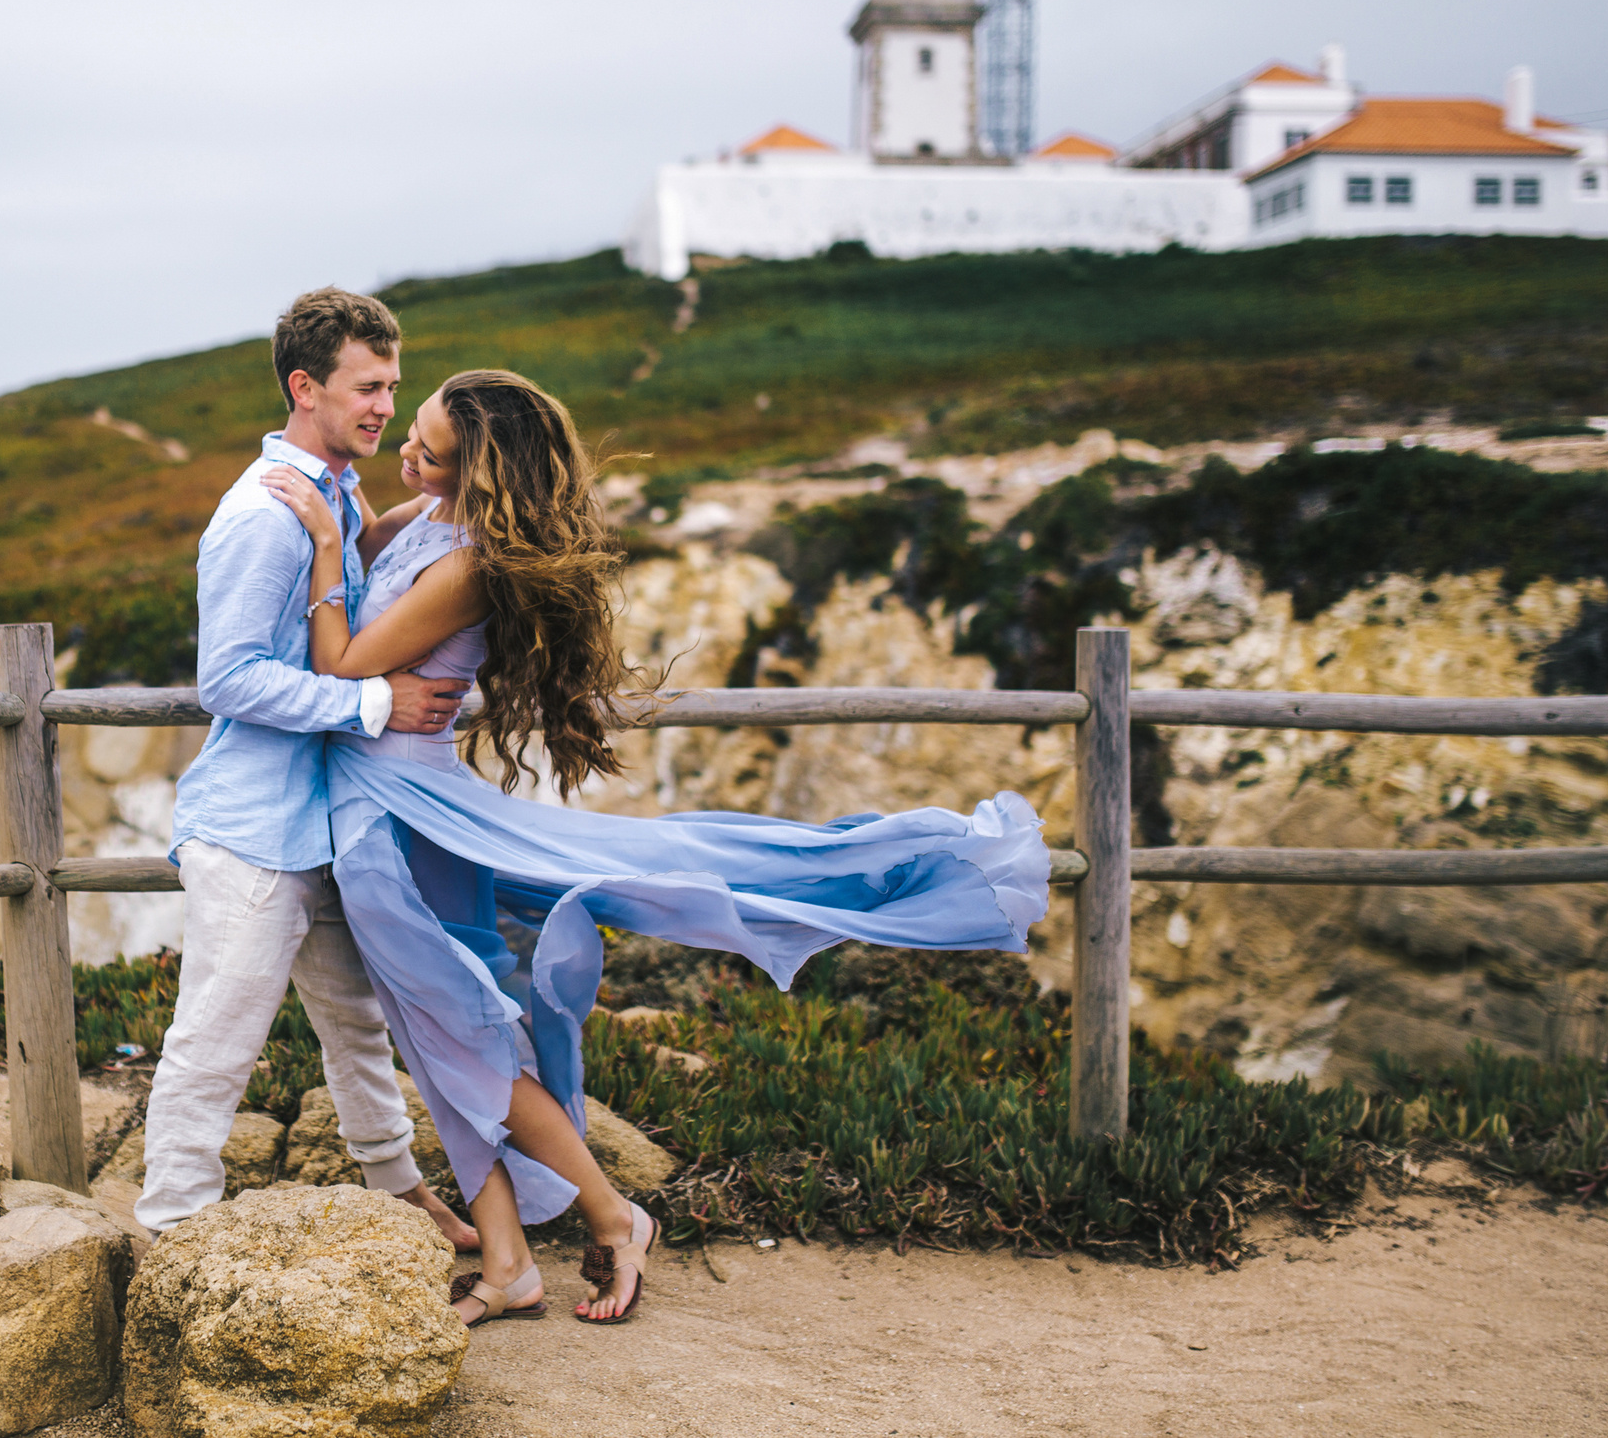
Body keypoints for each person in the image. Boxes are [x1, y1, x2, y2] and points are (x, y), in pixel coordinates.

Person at [260, 369, 1049, 1325]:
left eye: (427, 446)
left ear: (480, 472)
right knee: (439, 1046)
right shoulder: (422, 519)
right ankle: (508, 1263)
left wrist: (330, 540)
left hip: (403, 824)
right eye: (411, 431)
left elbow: (343, 661)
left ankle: (611, 1213)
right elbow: (354, 531)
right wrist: (333, 502)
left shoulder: (467, 564)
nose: (405, 452)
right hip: (376, 810)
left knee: (467, 1047)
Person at [137, 287, 479, 1247]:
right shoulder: (262, 514)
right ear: (304, 387)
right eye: (366, 388)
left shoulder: (330, 494)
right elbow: (230, 679)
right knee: (215, 1040)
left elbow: (352, 595)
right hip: (251, 829)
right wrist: (375, 703)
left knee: (356, 1023)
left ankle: (398, 1186)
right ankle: (172, 1229)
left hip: (322, 819)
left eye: (392, 387)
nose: (382, 406)